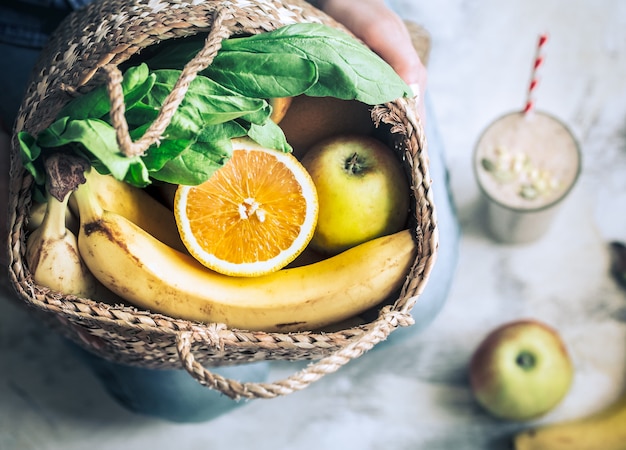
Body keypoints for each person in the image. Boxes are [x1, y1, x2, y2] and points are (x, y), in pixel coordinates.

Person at [0, 0, 458, 421]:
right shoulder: (105, 225)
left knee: (426, 295)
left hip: (253, 16)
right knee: (185, 399)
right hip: (26, 31)